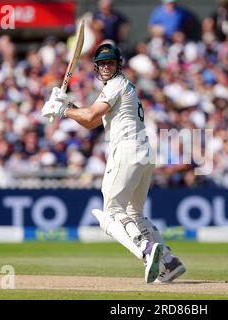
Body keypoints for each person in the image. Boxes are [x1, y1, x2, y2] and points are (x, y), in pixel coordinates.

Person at [41, 43, 186, 284]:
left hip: (127, 150)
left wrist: (63, 110)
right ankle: (169, 263)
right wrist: (67, 105)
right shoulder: (119, 86)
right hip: (144, 152)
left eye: (110, 62)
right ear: (97, 68)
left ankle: (146, 250)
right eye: (103, 63)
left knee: (111, 213)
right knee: (134, 214)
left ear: (118, 65)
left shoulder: (117, 83)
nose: (107, 67)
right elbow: (90, 121)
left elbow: (89, 116)